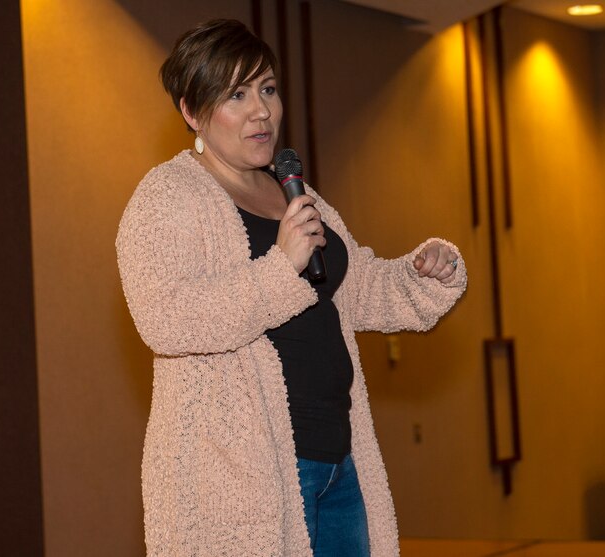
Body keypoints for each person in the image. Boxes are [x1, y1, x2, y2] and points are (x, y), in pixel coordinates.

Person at [116, 18, 467, 557]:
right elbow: (167, 317)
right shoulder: (166, 197)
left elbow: (354, 287)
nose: (262, 111)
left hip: (338, 463)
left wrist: (419, 275)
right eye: (237, 94)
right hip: (244, 480)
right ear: (191, 111)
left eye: (268, 89)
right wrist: (281, 267)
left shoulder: (293, 189)